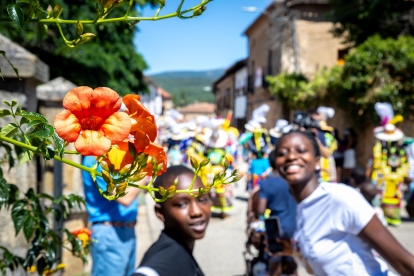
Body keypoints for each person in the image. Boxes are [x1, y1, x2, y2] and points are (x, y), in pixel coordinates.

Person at [275, 130, 414, 275]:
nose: (290, 156)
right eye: (282, 153)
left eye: (301, 151)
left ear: (317, 162)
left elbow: (405, 263)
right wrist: (290, 250)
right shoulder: (302, 207)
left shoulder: (339, 198)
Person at [133, 166, 210, 276]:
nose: (197, 212)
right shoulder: (170, 254)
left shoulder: (183, 248)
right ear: (160, 212)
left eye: (202, 200)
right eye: (182, 204)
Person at [82, 156, 142, 276]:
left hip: (125, 231)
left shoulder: (118, 154)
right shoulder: (95, 159)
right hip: (109, 233)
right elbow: (124, 198)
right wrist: (147, 170)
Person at [257, 150, 297, 276]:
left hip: (276, 230)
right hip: (295, 229)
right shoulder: (294, 180)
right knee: (292, 266)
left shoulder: (266, 183)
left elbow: (260, 210)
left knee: (275, 266)